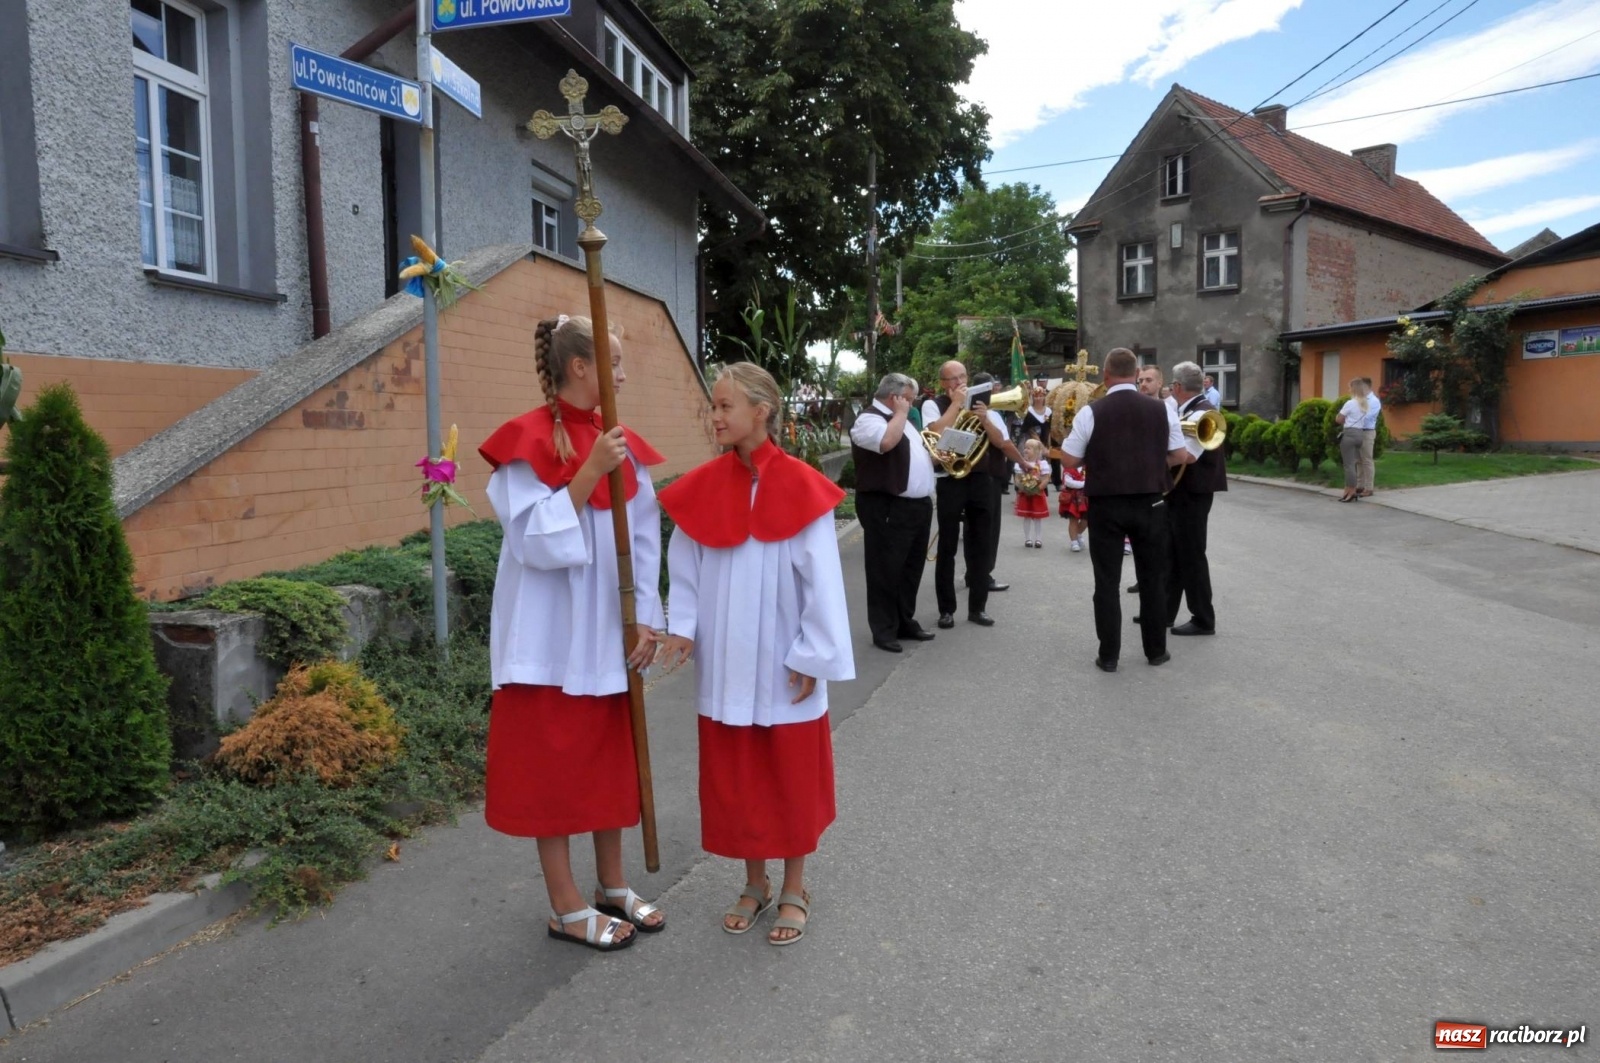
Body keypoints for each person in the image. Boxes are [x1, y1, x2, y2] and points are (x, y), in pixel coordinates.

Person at [477, 314, 667, 953]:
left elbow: (643, 537)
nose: (622, 375)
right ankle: (565, 906)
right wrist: (588, 471)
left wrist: (647, 618)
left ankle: (613, 884)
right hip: (549, 637)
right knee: (553, 771)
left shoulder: (621, 443)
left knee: (609, 762)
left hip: (608, 629)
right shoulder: (525, 442)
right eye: (614, 361)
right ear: (580, 367)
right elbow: (533, 542)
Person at [656, 363, 855, 947]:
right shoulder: (703, 485)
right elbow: (685, 568)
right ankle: (754, 881)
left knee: (788, 773)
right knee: (740, 774)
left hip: (784, 659)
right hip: (726, 660)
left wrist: (813, 655)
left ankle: (794, 885)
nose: (714, 416)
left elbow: (822, 581)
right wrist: (682, 628)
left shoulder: (799, 485)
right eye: (713, 406)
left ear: (760, 411)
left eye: (725, 406)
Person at [1061, 347, 1192, 672]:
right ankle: (1156, 651)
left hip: (1106, 505)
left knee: (1106, 582)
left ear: (1105, 376)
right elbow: (1180, 455)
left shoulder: (1091, 411)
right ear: (1135, 375)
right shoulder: (1162, 409)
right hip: (1151, 502)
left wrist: (1100, 458)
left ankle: (1109, 656)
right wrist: (1150, 464)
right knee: (1152, 578)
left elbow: (1069, 459)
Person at [922, 362, 1024, 628]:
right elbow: (935, 432)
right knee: (947, 546)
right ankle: (946, 610)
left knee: (981, 544)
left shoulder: (981, 404)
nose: (959, 383)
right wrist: (956, 404)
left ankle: (978, 608)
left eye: (962, 377)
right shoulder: (933, 404)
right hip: (950, 480)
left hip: (980, 479)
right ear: (943, 383)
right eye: (953, 379)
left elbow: (1000, 441)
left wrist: (984, 419)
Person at [849, 372, 937, 653]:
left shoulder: (903, 420)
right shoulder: (869, 419)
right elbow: (886, 443)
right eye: (908, 399)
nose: (912, 404)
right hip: (887, 505)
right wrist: (900, 414)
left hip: (917, 506)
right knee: (885, 569)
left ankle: (904, 621)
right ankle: (884, 629)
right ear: (894, 396)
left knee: (911, 569)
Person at [1163, 361, 1226, 635]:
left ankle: (1203, 618)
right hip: (1183, 491)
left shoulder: (1203, 413)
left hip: (1193, 492)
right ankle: (1165, 611)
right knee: (1174, 553)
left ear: (1177, 387)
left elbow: (1187, 456)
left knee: (1191, 555)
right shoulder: (1186, 409)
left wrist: (1151, 461)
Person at [1335, 378, 1382, 501]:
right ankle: (1359, 485)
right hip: (1359, 431)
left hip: (1366, 431)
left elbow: (1367, 417)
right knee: (1358, 460)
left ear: (1367, 387)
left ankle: (1368, 487)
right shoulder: (1360, 401)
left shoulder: (1373, 401)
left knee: (1366, 460)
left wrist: (1351, 417)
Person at [1013, 437, 1051, 548]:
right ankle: (1028, 539)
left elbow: (1046, 478)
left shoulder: (1042, 464)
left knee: (1038, 517)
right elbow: (1018, 478)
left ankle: (1038, 539)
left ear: (1036, 451)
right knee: (1027, 517)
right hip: (1025, 494)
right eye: (1025, 448)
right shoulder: (1021, 464)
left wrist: (1038, 488)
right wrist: (1024, 488)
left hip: (1037, 494)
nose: (1025, 450)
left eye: (1029, 448)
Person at [1059, 462, 1088, 552]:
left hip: (1085, 499)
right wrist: (1084, 484)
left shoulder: (1087, 467)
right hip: (1073, 499)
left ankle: (1078, 533)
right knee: (1073, 520)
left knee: (1086, 520)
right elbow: (1068, 482)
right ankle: (1074, 541)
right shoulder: (1069, 467)